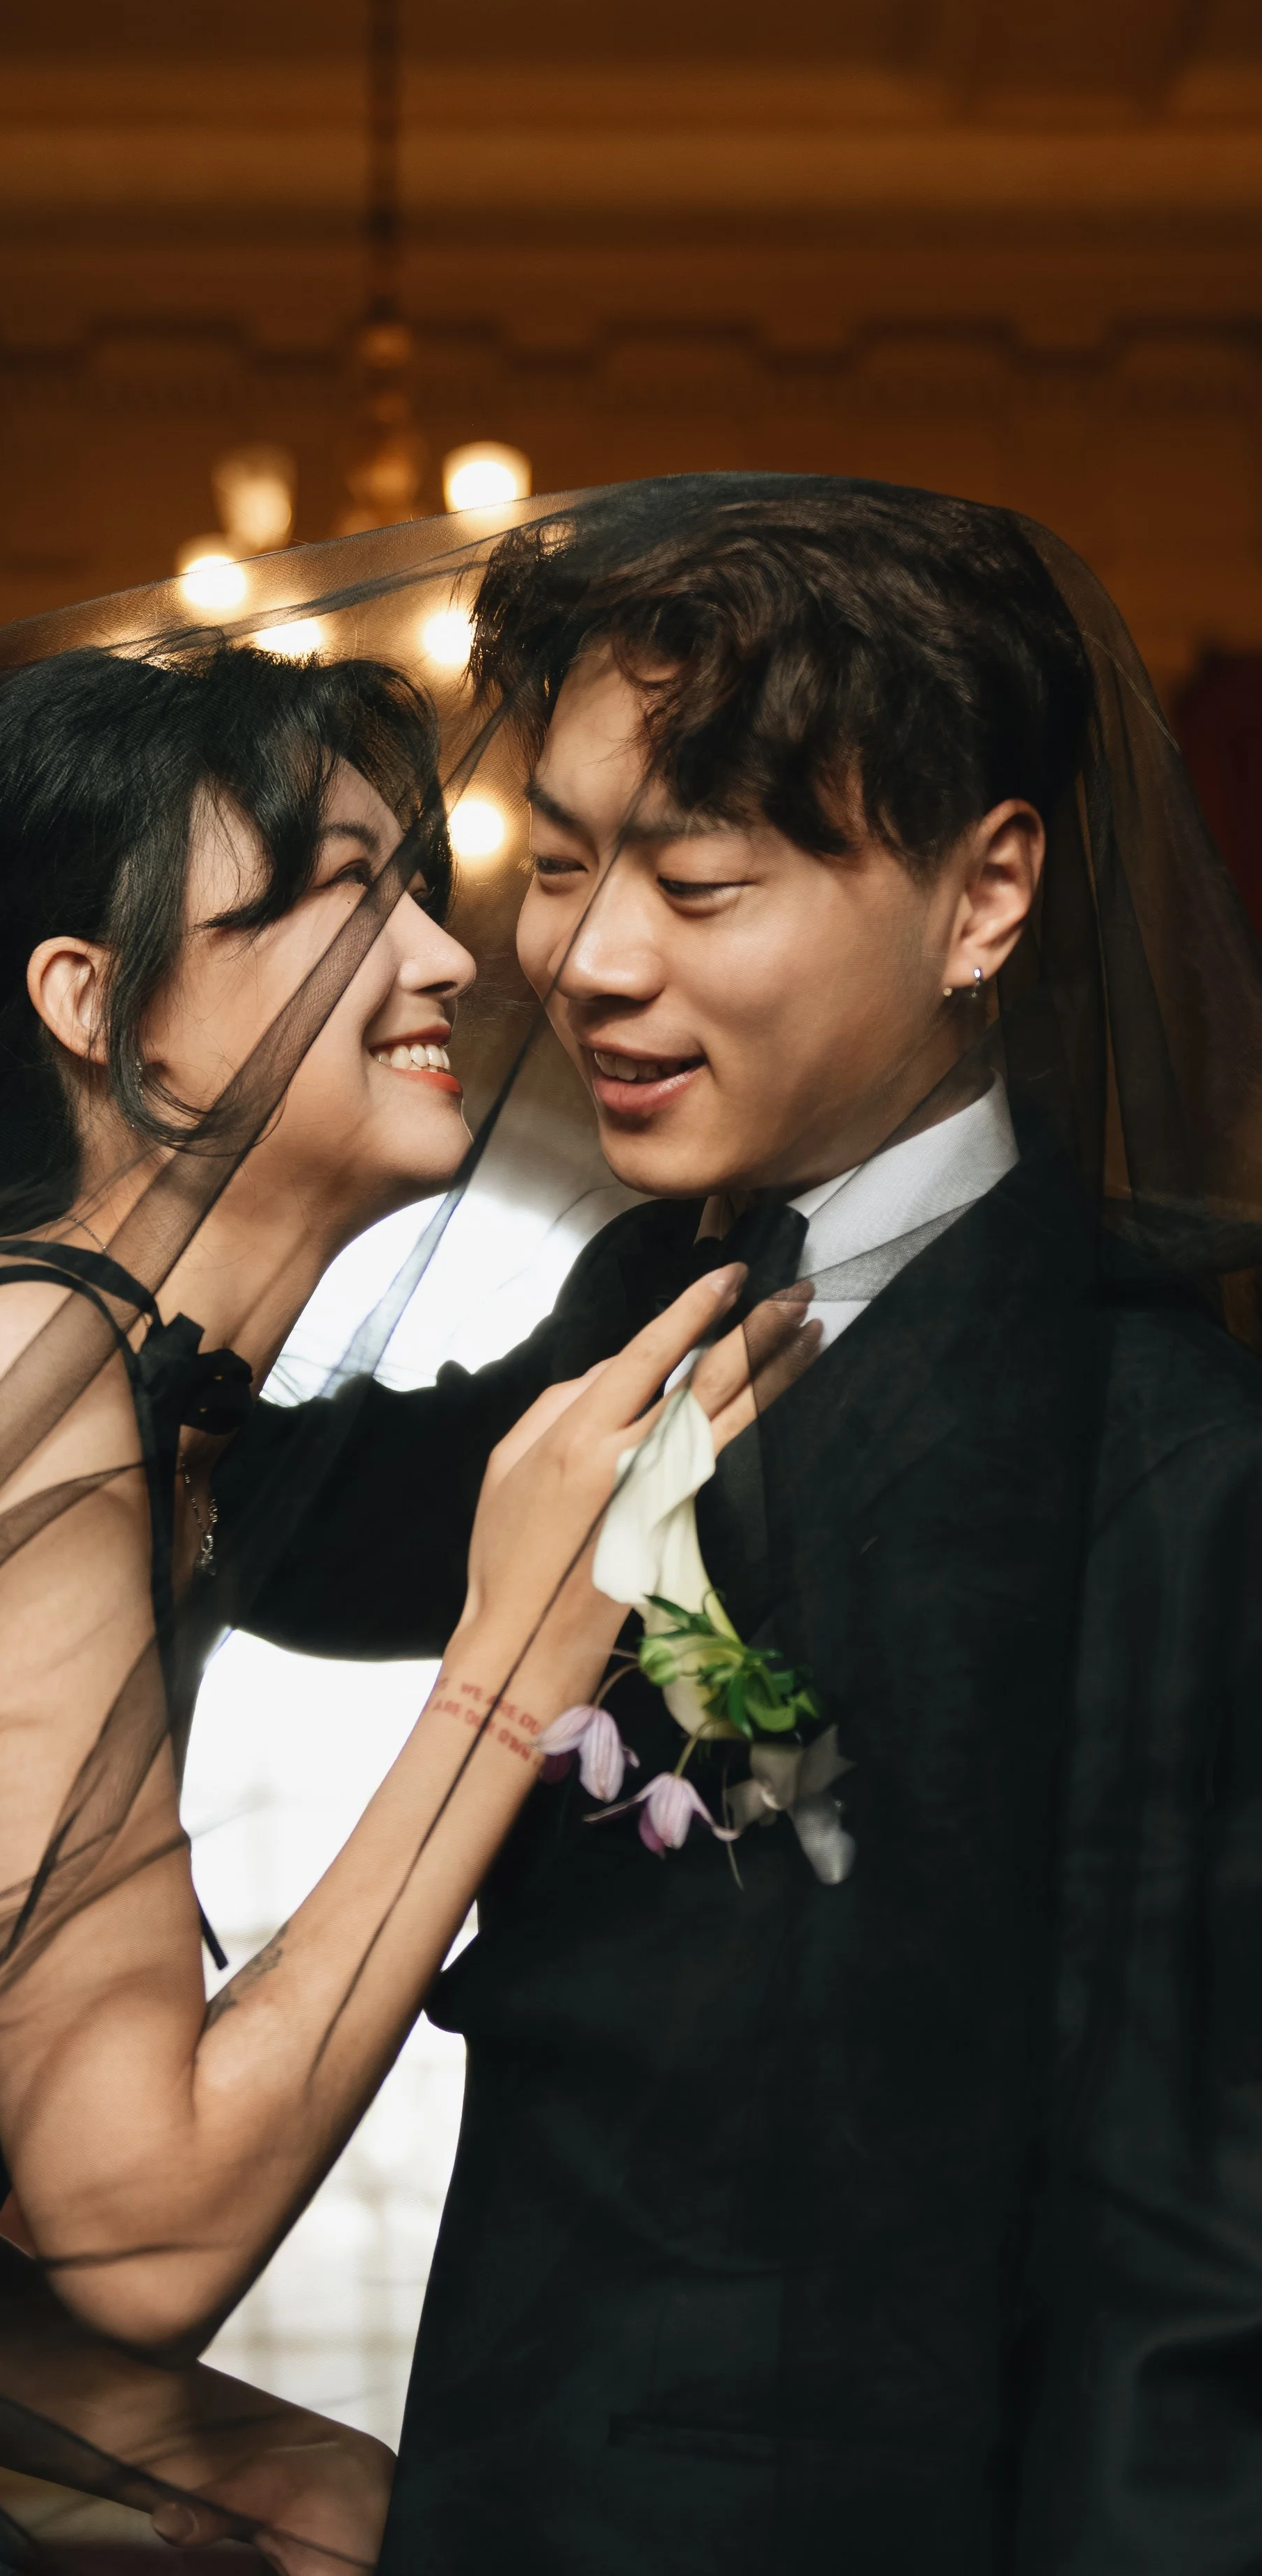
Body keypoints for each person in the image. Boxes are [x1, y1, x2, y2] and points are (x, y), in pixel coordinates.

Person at [0, 634, 806, 2574]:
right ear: (103, 1011)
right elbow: (139, 2233)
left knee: (324, 2507)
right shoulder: (19, 1363)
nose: (449, 958)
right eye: (334, 897)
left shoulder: (100, 1399)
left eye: (417, 890)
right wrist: (520, 1651)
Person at [216, 483, 1262, 2574]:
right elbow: (308, 1538)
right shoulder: (647, 1290)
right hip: (515, 2461)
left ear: (983, 901)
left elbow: (1187, 2261)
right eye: (567, 857)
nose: (587, 960)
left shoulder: (1160, 1460)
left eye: (694, 880)